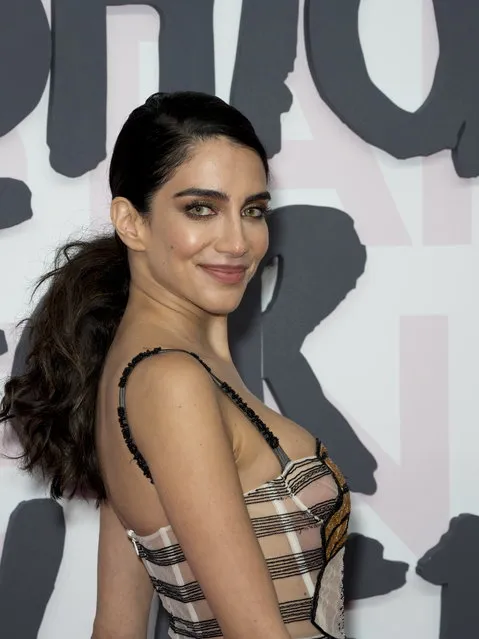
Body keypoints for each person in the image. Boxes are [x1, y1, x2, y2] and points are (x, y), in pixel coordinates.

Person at [0, 92, 350, 639]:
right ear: (130, 222)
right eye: (201, 208)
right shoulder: (169, 382)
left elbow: (116, 625)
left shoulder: (149, 372)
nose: (238, 241)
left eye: (253, 210)